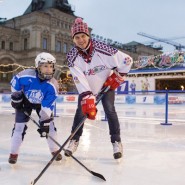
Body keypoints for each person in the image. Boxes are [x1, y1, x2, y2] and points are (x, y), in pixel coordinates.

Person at [64, 18, 133, 160]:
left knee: (110, 111)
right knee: (80, 113)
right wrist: (87, 96)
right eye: (77, 37)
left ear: (88, 36)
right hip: (87, 89)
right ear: (73, 39)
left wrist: (118, 76)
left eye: (83, 36)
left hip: (105, 87)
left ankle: (116, 141)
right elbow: (79, 78)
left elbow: (127, 60)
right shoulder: (72, 57)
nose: (81, 40)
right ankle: (74, 140)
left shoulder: (103, 49)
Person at [9, 52, 62, 164]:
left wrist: (45, 123)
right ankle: (13, 153)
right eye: (45, 66)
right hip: (25, 102)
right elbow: (15, 84)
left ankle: (55, 150)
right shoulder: (26, 75)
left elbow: (47, 106)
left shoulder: (53, 85)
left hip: (41, 104)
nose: (49, 69)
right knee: (19, 128)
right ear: (38, 66)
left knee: (50, 128)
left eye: (51, 66)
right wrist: (16, 99)